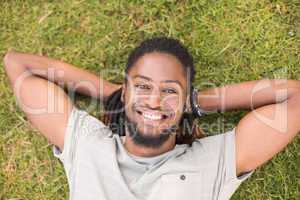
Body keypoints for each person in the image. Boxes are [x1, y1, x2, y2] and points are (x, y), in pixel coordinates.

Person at [3, 37, 300, 200]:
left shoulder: (214, 161)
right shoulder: (86, 145)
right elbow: (18, 65)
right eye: (143, 86)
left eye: (169, 90)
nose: (155, 100)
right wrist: (113, 94)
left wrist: (193, 102)